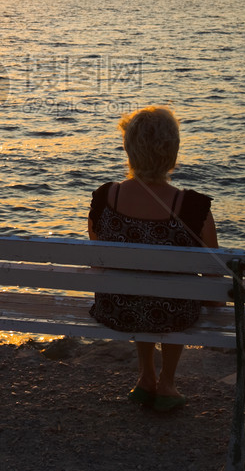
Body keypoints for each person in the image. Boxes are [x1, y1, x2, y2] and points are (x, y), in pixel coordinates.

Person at [88, 106, 218, 412]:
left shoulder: (105, 198)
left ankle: (146, 376)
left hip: (118, 310)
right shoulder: (193, 207)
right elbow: (213, 276)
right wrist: (217, 304)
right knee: (178, 287)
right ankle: (167, 382)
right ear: (171, 152)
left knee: (138, 281)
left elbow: (99, 260)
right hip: (174, 313)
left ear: (129, 149)